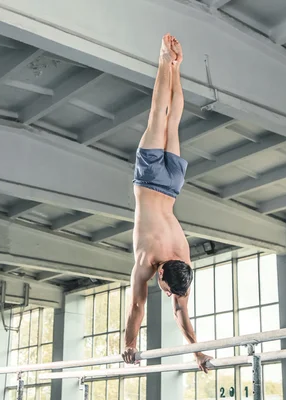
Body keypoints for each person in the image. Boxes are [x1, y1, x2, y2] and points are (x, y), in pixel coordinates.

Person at [122, 34, 213, 373]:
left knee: (173, 119)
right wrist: (129, 344)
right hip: (148, 182)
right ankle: (164, 60)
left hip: (173, 185)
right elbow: (136, 308)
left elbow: (180, 309)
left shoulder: (184, 264)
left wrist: (198, 352)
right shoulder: (147, 262)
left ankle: (176, 67)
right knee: (158, 116)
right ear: (161, 272)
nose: (167, 293)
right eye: (165, 287)